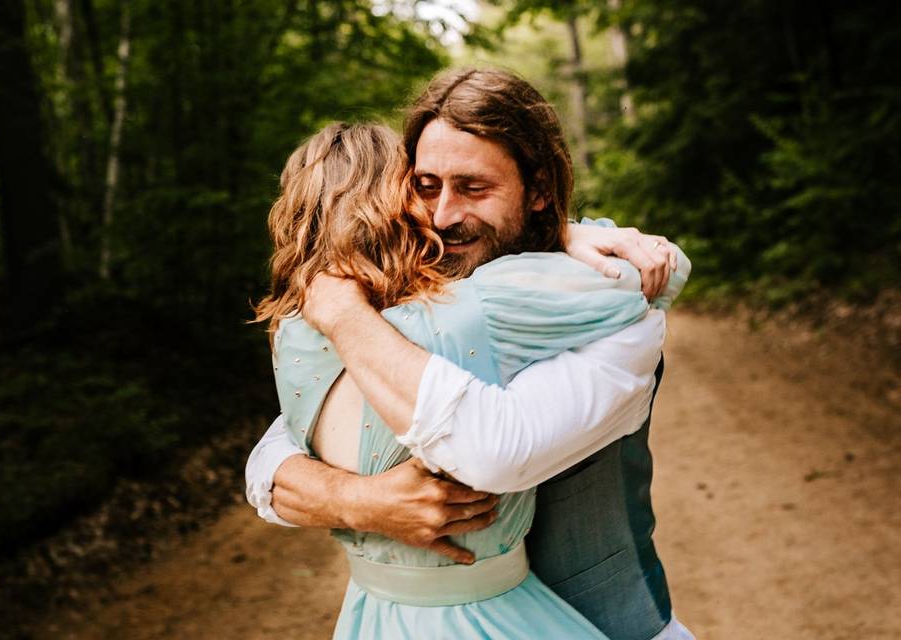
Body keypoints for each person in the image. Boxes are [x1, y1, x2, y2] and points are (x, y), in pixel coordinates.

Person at [247, 68, 694, 640]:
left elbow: (492, 450)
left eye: (474, 188)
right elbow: (273, 453)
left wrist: (340, 316)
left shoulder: (615, 325)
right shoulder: (415, 307)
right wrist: (361, 499)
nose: (442, 216)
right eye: (426, 186)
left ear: (537, 191)